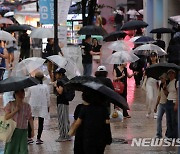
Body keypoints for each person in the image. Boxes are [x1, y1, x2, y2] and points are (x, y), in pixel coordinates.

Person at [4, 89, 34, 154]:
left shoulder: (27, 106)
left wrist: (32, 130)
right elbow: (6, 117)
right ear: (15, 94)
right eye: (18, 93)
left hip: (23, 131)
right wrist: (15, 110)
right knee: (11, 149)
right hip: (13, 131)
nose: (21, 95)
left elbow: (30, 118)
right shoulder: (10, 104)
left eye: (22, 92)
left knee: (23, 150)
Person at [26, 71, 50, 144]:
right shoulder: (45, 87)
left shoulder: (31, 87)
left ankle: (29, 137)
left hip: (32, 105)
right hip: (42, 105)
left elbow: (27, 96)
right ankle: (39, 138)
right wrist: (48, 106)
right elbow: (48, 98)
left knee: (30, 121)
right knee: (41, 122)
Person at [53, 68, 71, 142]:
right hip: (66, 101)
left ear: (60, 74)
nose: (55, 75)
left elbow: (60, 91)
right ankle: (67, 134)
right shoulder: (66, 79)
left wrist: (55, 86)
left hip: (61, 102)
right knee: (66, 119)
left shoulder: (60, 81)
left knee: (62, 119)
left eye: (56, 74)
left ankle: (63, 135)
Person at [164, 69, 178, 139]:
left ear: (174, 74)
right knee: (168, 119)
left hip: (173, 102)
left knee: (174, 120)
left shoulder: (176, 82)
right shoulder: (169, 83)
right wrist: (164, 87)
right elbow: (167, 93)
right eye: (169, 74)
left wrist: (176, 104)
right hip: (168, 101)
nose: (170, 75)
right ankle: (169, 134)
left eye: (172, 73)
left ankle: (175, 134)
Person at [145, 52, 159, 118]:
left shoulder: (159, 65)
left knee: (155, 98)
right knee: (150, 97)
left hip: (156, 82)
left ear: (156, 57)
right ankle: (148, 111)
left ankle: (155, 112)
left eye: (154, 56)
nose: (152, 58)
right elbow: (145, 74)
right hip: (149, 82)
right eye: (151, 57)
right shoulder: (148, 65)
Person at [154, 73, 168, 138]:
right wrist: (156, 106)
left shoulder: (168, 85)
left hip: (167, 104)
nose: (161, 79)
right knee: (159, 118)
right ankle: (159, 134)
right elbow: (159, 96)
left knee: (168, 120)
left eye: (162, 78)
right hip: (161, 104)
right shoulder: (161, 85)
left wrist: (165, 89)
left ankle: (168, 133)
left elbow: (168, 95)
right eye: (160, 78)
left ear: (166, 78)